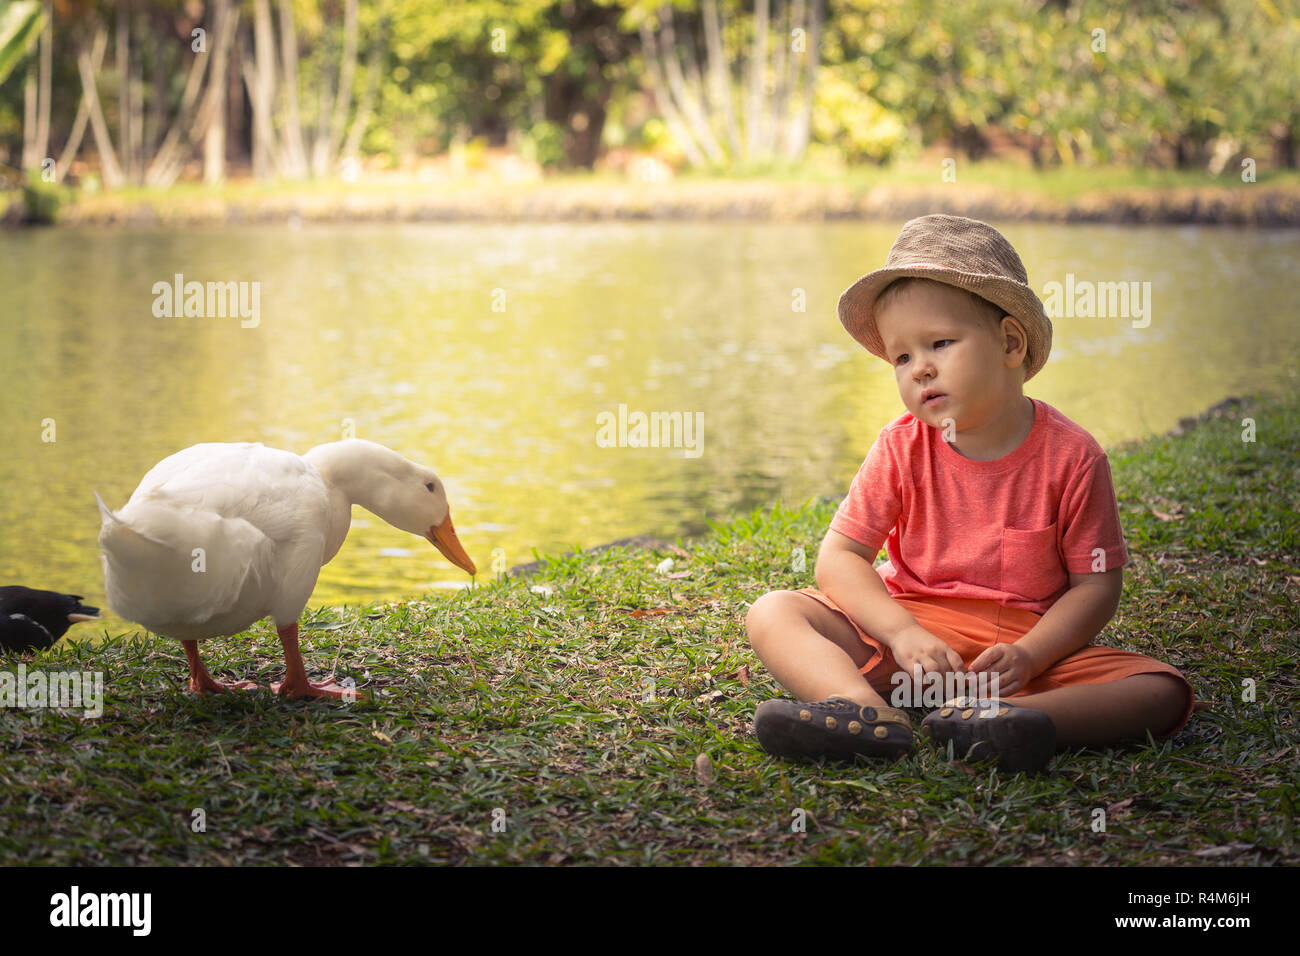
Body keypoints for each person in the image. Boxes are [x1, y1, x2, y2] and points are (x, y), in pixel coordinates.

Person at [746, 214, 1193, 772]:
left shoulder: (1074, 457)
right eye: (902, 357)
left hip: (1019, 653)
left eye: (939, 343)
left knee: (1160, 689)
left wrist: (1031, 656)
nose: (920, 370)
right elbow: (840, 559)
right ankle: (865, 714)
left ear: (1009, 343)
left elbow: (1096, 586)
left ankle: (1010, 721)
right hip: (910, 641)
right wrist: (901, 632)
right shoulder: (900, 447)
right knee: (774, 612)